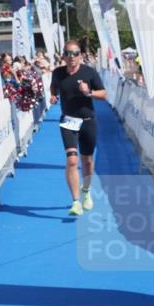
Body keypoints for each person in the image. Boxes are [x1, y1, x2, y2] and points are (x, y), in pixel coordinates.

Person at [49, 41, 106, 216]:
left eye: (75, 53)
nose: (72, 57)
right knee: (72, 160)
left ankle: (86, 191)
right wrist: (53, 95)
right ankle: (75, 202)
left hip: (88, 120)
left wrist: (88, 92)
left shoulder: (89, 72)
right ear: (64, 56)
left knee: (87, 161)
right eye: (68, 53)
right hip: (68, 121)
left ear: (80, 55)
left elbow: (103, 94)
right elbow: (54, 87)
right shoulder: (58, 73)